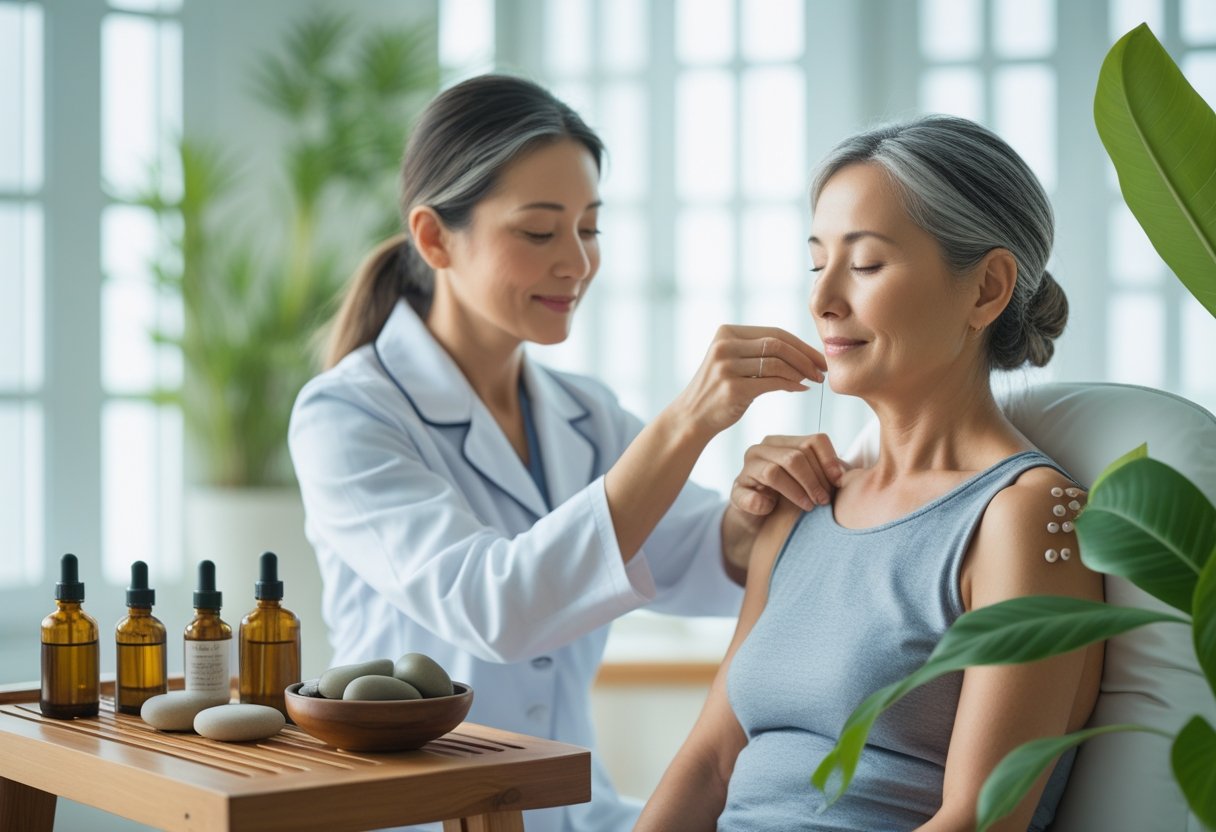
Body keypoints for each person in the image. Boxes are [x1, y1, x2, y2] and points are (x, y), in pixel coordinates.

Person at [287, 74, 832, 831]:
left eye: (590, 228)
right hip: (417, 816)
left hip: (569, 811)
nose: (575, 262)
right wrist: (688, 421)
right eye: (540, 232)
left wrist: (756, 509)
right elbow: (495, 607)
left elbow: (698, 555)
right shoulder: (347, 415)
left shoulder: (584, 415)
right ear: (435, 236)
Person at [635, 115, 1106, 832]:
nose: (823, 299)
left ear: (987, 288)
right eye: (817, 260)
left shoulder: (1025, 518)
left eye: (866, 264)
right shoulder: (801, 502)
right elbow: (709, 762)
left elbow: (982, 821)